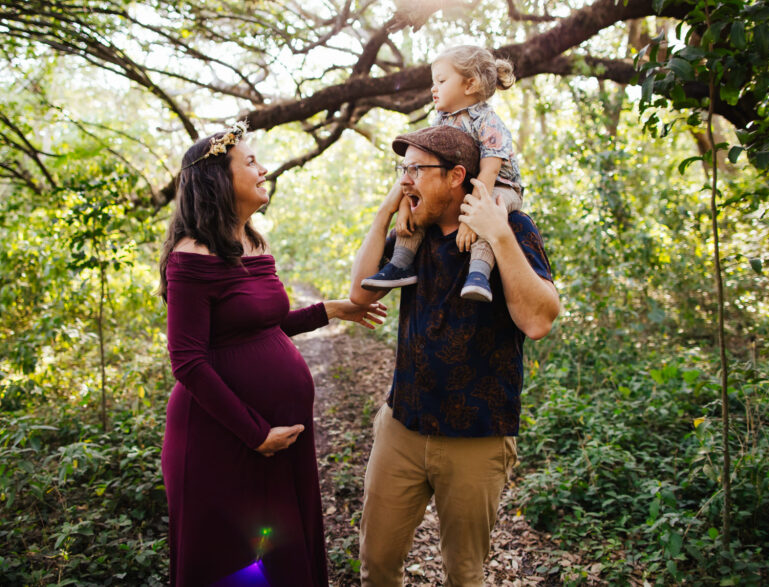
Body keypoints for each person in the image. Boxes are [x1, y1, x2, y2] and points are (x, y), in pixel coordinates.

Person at [158, 122, 386, 587]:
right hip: (221, 437)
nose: (264, 169)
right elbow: (187, 360)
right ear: (220, 180)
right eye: (251, 162)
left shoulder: (254, 242)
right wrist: (255, 432)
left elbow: (259, 327)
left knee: (280, 554)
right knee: (232, 561)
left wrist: (330, 310)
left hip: (278, 440)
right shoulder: (192, 255)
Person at [349, 125, 560, 587]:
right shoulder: (414, 230)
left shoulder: (513, 227)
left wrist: (497, 234)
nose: (406, 180)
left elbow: (539, 321)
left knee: (464, 575)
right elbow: (359, 296)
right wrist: (386, 211)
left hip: (477, 438)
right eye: (402, 169)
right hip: (402, 427)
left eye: (416, 170)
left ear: (455, 176)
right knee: (377, 564)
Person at [361, 45, 523, 303]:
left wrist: (471, 220)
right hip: (465, 185)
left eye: (441, 81)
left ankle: (479, 272)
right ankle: (401, 263)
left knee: (490, 210)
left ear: (469, 85)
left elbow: (489, 172)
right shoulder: (441, 121)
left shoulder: (488, 122)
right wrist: (405, 205)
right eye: (433, 82)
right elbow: (416, 171)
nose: (433, 88)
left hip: (497, 186)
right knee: (424, 202)